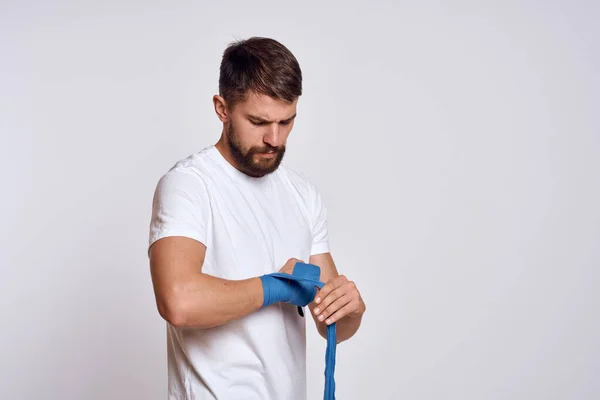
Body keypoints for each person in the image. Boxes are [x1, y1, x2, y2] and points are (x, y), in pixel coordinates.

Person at [147, 36, 366, 400]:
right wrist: (275, 287)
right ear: (222, 108)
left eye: (286, 121)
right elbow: (178, 300)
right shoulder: (189, 185)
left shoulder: (302, 195)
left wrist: (351, 309)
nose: (274, 139)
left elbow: (333, 324)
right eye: (259, 121)